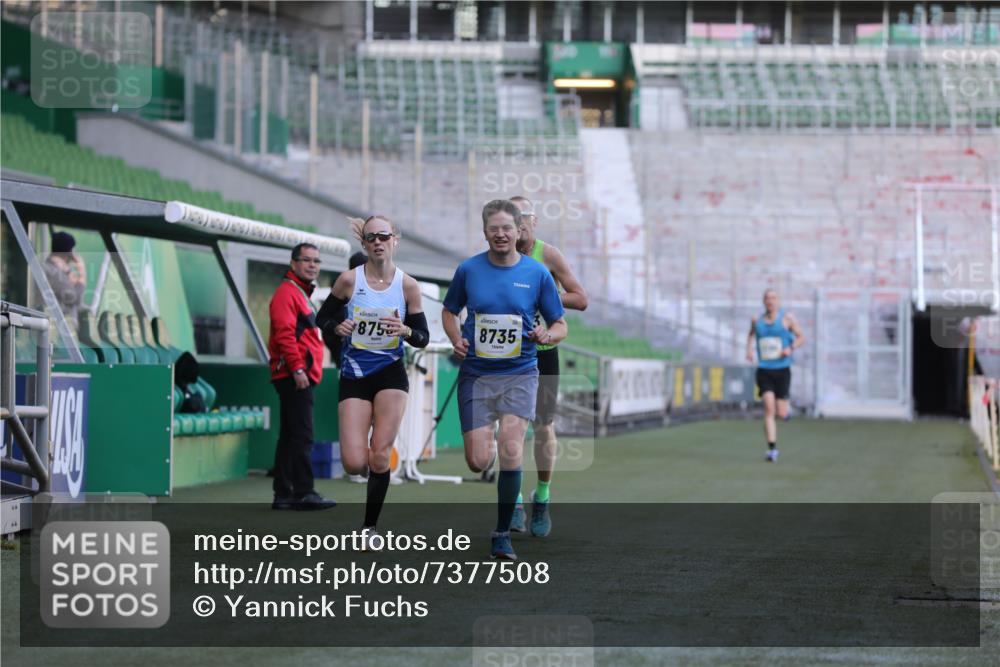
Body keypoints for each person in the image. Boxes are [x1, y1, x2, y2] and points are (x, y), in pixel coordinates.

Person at [442, 199, 567, 560]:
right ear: (485, 233)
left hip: (520, 373)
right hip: (477, 376)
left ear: (519, 231)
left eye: (507, 228)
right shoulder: (468, 270)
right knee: (478, 461)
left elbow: (560, 323)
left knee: (511, 448)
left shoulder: (537, 273)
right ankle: (503, 487)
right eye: (493, 229)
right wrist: (455, 338)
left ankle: (502, 534)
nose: (500, 234)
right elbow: (450, 311)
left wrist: (548, 335)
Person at [317, 217, 429, 542]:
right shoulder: (348, 281)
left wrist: (406, 330)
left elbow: (422, 336)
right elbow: (321, 317)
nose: (378, 242)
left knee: (380, 453)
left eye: (384, 236)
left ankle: (369, 528)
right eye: (371, 237)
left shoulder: (407, 286)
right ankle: (372, 473)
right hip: (354, 374)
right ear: (364, 244)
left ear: (395, 240)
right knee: (354, 463)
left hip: (391, 374)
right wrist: (336, 327)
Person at [505, 195, 588, 538]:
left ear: (533, 221)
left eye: (523, 216)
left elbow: (580, 298)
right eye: (511, 217)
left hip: (542, 351)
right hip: (507, 353)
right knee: (509, 429)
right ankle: (513, 502)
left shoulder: (547, 254)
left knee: (542, 427)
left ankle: (542, 496)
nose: (518, 223)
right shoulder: (497, 258)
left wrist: (544, 294)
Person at [268, 243, 337, 510]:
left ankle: (284, 493)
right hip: (295, 374)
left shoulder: (299, 293)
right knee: (302, 435)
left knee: (290, 435)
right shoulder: (288, 293)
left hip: (297, 373)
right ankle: (303, 492)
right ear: (293, 263)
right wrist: (297, 369)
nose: (312, 265)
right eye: (306, 260)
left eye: (316, 261)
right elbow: (284, 334)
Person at [745, 288, 806, 462]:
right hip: (764, 370)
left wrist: (790, 348)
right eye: (767, 298)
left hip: (782, 370)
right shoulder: (757, 321)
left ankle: (786, 412)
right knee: (768, 408)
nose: (770, 301)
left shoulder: (787, 319)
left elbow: (802, 337)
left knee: (780, 412)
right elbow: (750, 335)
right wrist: (749, 350)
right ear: (763, 301)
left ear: (778, 301)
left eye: (773, 298)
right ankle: (772, 449)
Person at [42, 231, 87, 334]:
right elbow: (75, 298)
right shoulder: (53, 271)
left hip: (63, 332)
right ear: (69, 252)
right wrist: (82, 271)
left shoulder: (59, 270)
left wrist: (69, 273)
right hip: (60, 334)